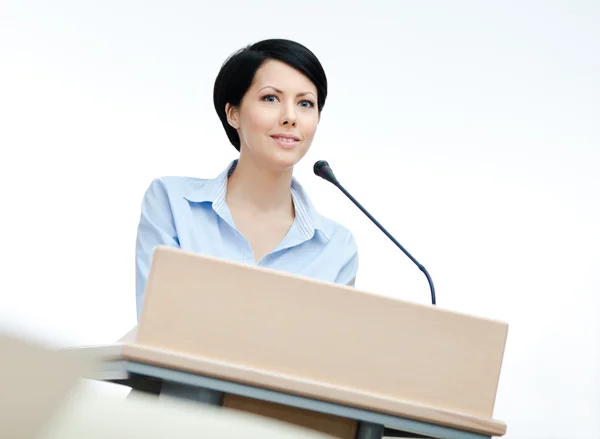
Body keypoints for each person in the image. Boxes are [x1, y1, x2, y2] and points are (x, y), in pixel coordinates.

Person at [134, 38, 359, 322]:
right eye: (270, 98)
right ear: (233, 113)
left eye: (305, 103)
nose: (290, 117)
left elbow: (326, 358)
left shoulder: (336, 247)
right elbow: (158, 325)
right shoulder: (172, 204)